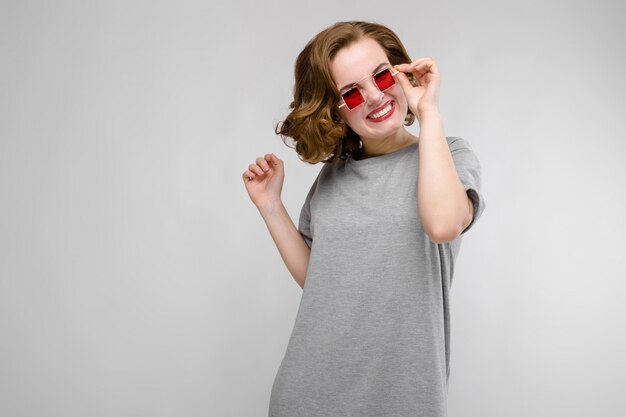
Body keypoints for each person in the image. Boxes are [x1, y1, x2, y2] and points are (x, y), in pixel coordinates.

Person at [242, 20, 486, 417]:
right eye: (351, 94)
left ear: (401, 72)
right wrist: (271, 207)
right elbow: (320, 279)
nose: (374, 96)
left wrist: (429, 113)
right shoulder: (333, 176)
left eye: (382, 75)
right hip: (308, 393)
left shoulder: (449, 154)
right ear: (335, 111)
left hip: (403, 397)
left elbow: (443, 224)